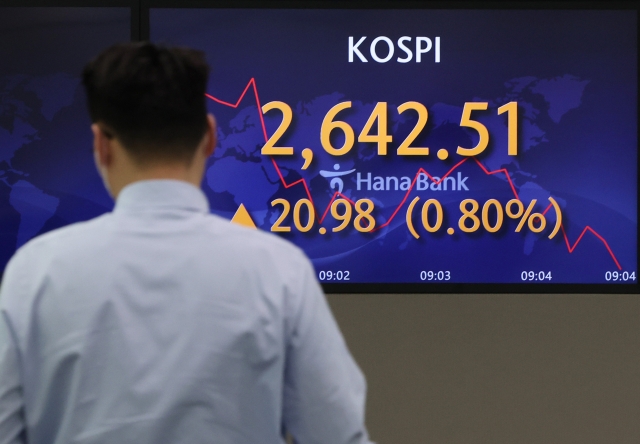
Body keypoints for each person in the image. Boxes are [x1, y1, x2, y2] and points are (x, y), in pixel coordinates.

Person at [0, 42, 371, 444]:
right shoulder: (279, 270)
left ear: (101, 145)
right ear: (210, 137)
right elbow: (338, 435)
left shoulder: (34, 273)